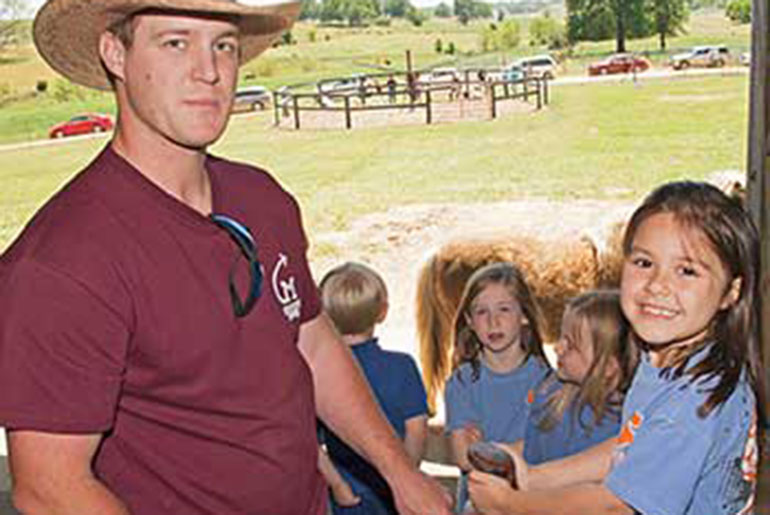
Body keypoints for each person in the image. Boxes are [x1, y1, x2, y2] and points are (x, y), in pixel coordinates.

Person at [0, 1, 451, 514]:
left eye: (224, 46)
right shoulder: (62, 263)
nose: (209, 71)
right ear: (115, 53)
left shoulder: (262, 199)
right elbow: (49, 488)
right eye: (176, 43)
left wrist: (398, 469)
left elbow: (311, 341)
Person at [469, 181, 766, 514]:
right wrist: (536, 478)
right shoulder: (669, 362)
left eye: (686, 271)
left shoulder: (696, 398)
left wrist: (512, 505)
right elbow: (631, 446)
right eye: (643, 263)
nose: (657, 285)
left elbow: (616, 508)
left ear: (731, 292)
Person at [316, 262, 430, 514]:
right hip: (394, 491)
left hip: (348, 496)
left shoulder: (319, 375)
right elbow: (417, 431)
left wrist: (338, 487)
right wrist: (406, 477)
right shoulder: (402, 366)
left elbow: (309, 442)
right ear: (383, 312)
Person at [444, 262, 551, 513]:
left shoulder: (547, 380)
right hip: (479, 504)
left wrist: (484, 450)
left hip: (532, 501)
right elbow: (463, 457)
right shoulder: (462, 382)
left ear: (524, 315)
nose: (493, 321)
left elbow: (552, 447)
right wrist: (524, 447)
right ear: (469, 320)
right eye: (482, 312)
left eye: (504, 309)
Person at [521, 290, 636, 466]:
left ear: (607, 368)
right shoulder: (549, 396)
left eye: (571, 345)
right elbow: (529, 455)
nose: (558, 348)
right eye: (561, 337)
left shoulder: (617, 426)